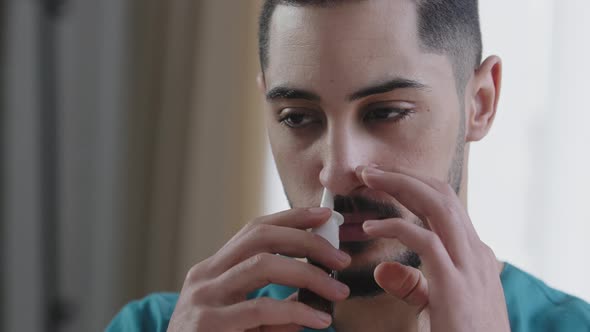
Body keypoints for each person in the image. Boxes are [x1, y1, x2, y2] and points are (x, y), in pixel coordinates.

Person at [107, 0, 590, 331]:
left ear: (480, 102)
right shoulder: (159, 325)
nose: (337, 171)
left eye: (385, 113)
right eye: (298, 117)